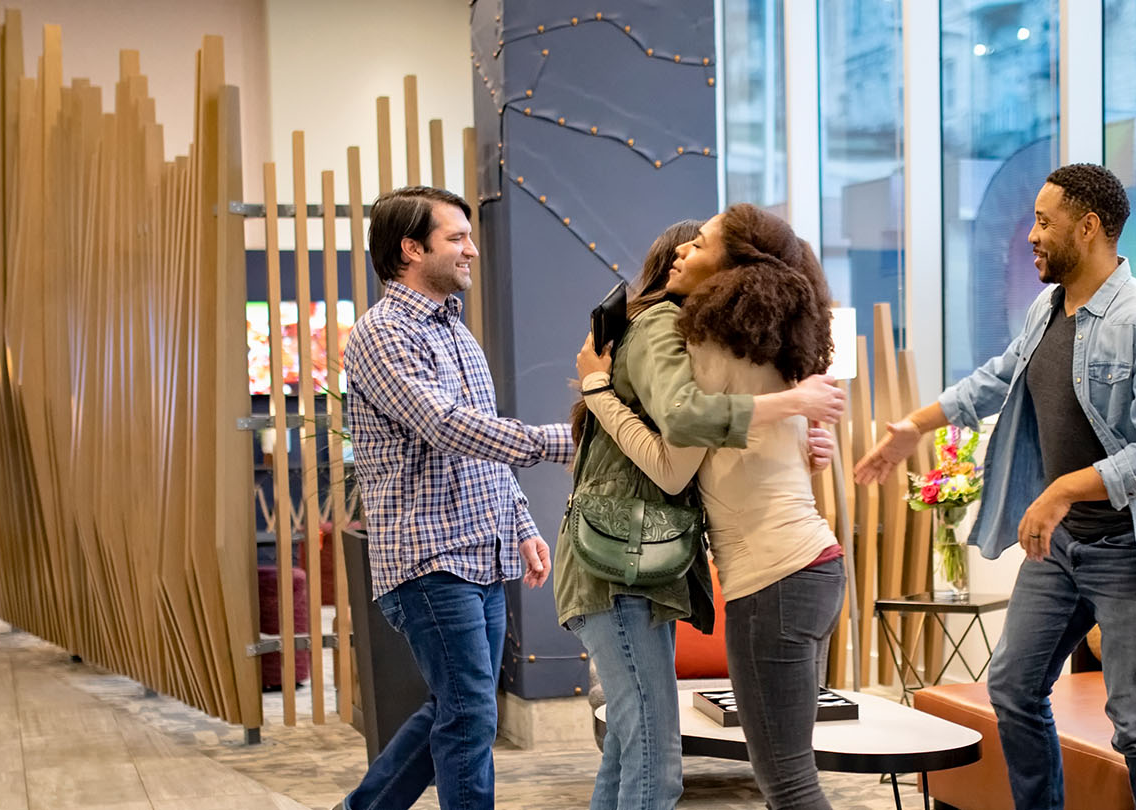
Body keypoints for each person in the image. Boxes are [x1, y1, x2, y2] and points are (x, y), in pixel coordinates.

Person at [855, 163, 1136, 810]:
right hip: (1065, 549)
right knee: (1013, 686)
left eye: (1045, 222)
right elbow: (996, 379)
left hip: (1133, 552)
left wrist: (1063, 489)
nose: (1031, 236)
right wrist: (911, 427)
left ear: (1090, 227)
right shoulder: (1048, 310)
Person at [555, 219, 845, 810]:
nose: (687, 251)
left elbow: (674, 457)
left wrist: (598, 390)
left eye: (702, 244)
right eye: (687, 244)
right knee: (659, 760)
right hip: (801, 566)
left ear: (731, 271)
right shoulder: (758, 346)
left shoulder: (711, 347)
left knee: (783, 781)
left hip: (777, 575)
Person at [337, 186, 573, 810]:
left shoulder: (457, 334)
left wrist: (520, 523)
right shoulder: (382, 334)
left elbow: (480, 440)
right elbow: (445, 425)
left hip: (481, 550)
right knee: (468, 713)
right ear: (412, 249)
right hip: (429, 556)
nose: (471, 249)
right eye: (456, 238)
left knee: (458, 706)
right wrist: (565, 440)